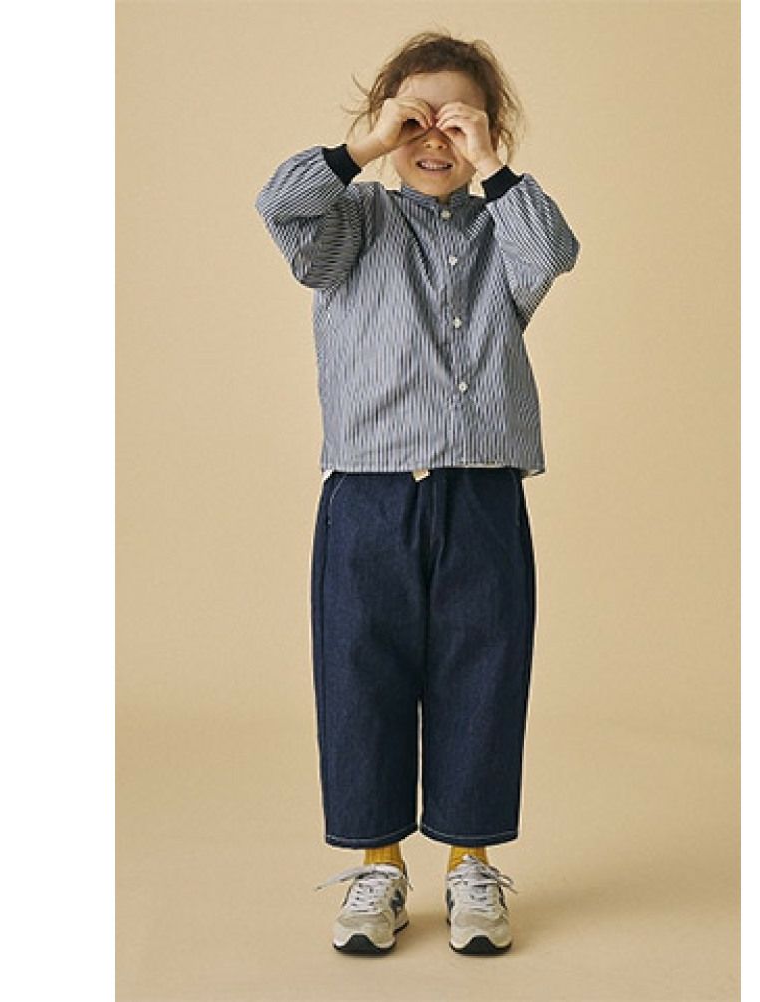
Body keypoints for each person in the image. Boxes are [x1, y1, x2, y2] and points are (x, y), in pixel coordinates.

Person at [254, 29, 580, 955]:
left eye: (457, 122)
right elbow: (279, 204)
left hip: (482, 494)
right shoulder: (351, 222)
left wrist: (493, 166)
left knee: (484, 673)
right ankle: (378, 866)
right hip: (368, 492)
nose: (434, 138)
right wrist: (365, 148)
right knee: (361, 675)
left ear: (489, 131)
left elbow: (554, 250)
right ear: (383, 125)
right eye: (414, 120)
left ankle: (471, 864)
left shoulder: (503, 232)